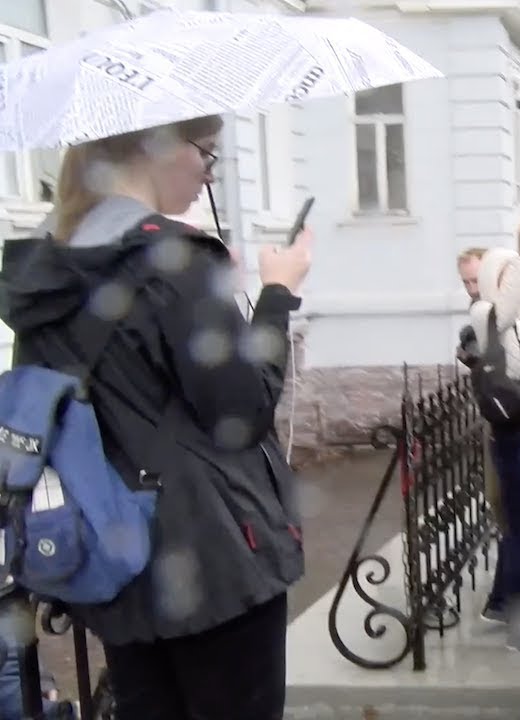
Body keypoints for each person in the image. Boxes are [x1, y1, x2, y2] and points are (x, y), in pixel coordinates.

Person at [0, 117, 312, 718]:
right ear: (158, 147)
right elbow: (241, 413)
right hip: (212, 558)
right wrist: (276, 295)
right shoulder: (176, 259)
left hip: (114, 554)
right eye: (206, 152)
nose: (210, 172)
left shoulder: (44, 269)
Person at [469, 246, 520, 624]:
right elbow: (507, 302)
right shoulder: (486, 314)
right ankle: (518, 611)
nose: (514, 283)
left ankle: (500, 603)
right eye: (502, 276)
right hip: (511, 432)